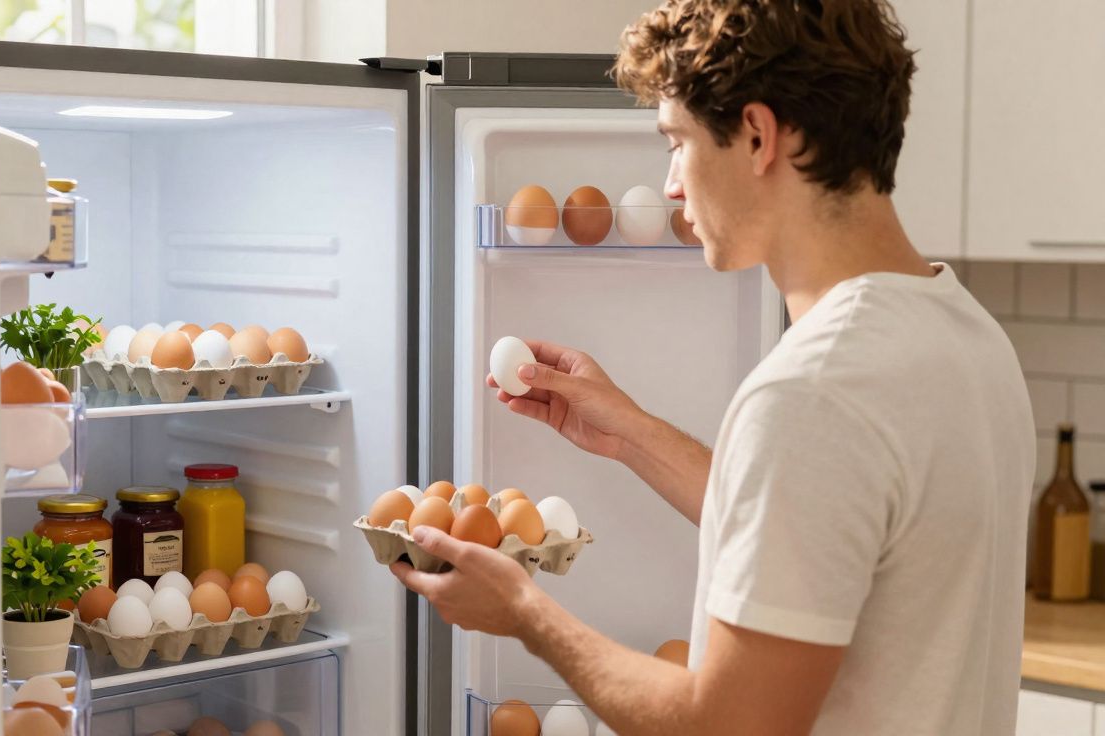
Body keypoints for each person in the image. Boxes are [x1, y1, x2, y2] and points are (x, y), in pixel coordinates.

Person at [389, 0, 1036, 734]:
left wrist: (525, 614)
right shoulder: (968, 334)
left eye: (677, 142)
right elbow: (822, 529)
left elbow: (722, 725)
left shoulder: (813, 392)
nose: (670, 184)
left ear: (757, 136)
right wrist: (629, 431)